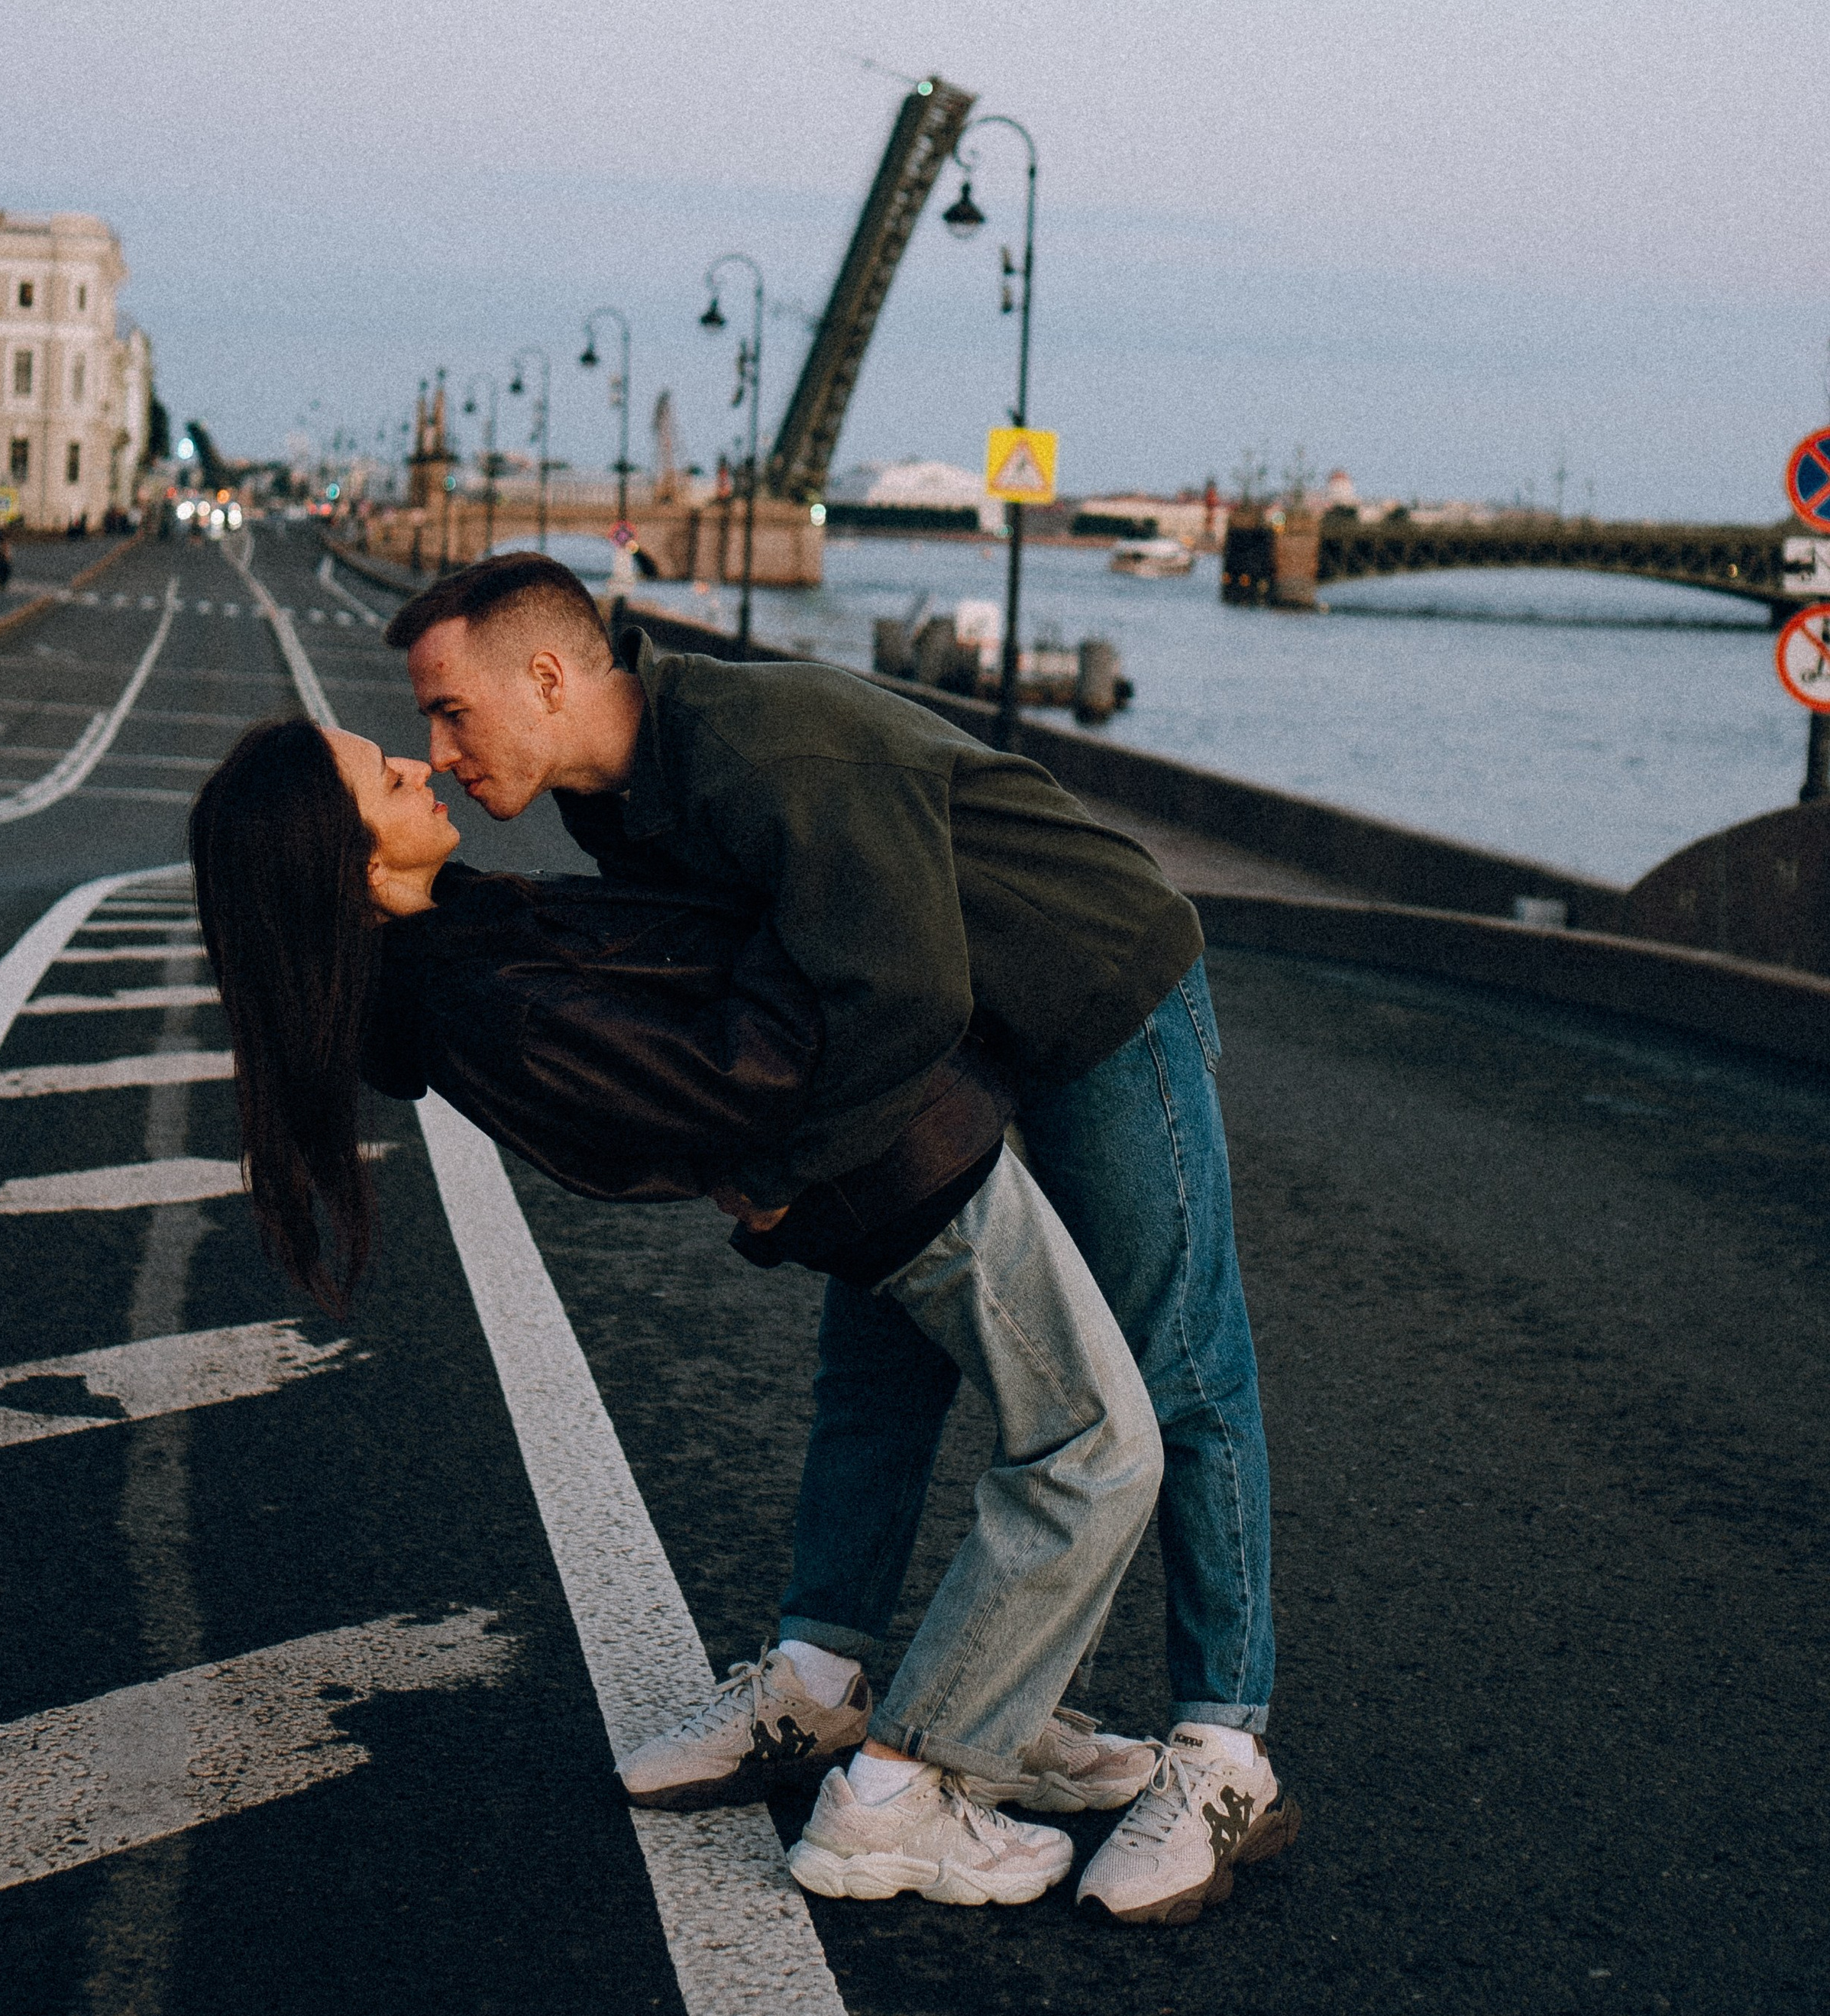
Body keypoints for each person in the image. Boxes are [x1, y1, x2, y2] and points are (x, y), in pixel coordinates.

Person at [386, 550, 1301, 1928]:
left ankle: (1224, 1744)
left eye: (453, 713)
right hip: (935, 1058)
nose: (440, 752)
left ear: (550, 675)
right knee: (873, 1374)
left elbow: (899, 993)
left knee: (1174, 1362)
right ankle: (823, 1680)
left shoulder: (763, 752)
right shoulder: (625, 802)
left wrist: (779, 1178)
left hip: (1089, 987)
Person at [189, 714, 1169, 1911]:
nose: (423, 761)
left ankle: (993, 1714)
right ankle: (902, 1792)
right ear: (350, 867)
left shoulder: (460, 940)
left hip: (891, 1157)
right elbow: (729, 1078)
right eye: (384, 777)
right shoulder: (475, 991)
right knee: (1095, 1451)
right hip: (902, 1167)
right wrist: (836, 910)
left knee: (942, 1420)